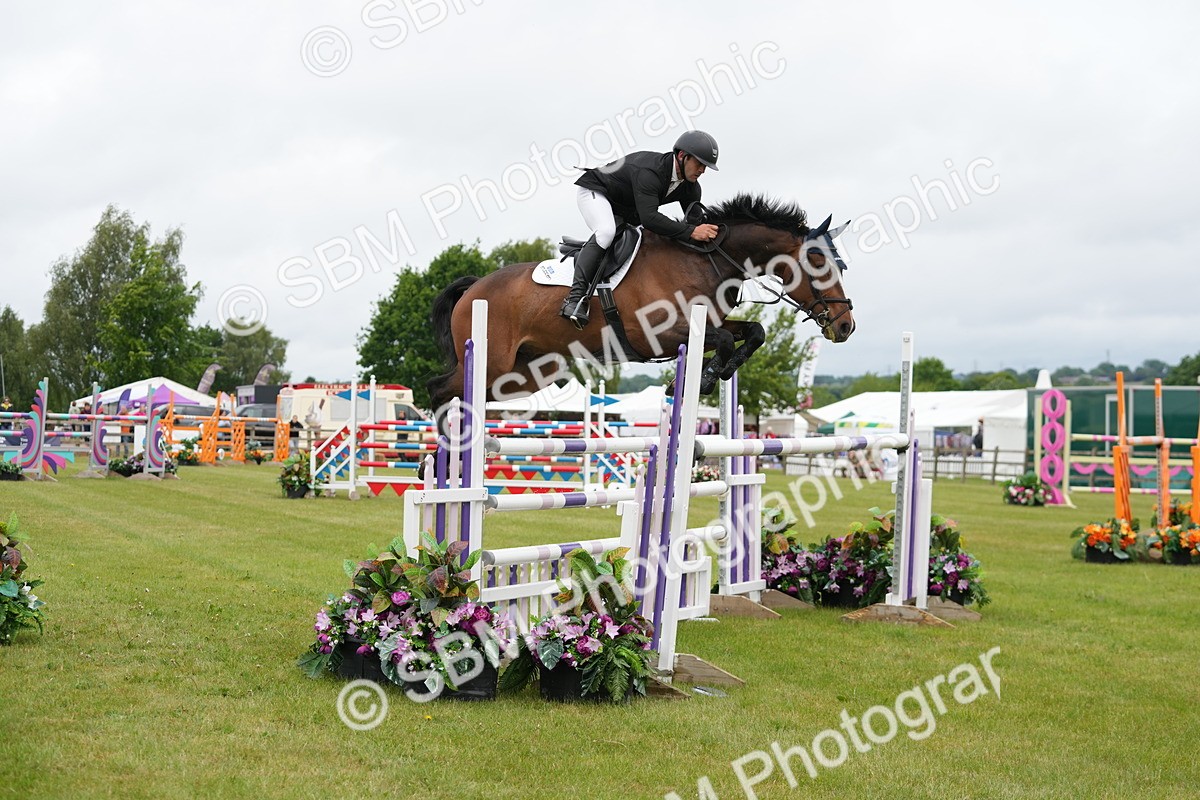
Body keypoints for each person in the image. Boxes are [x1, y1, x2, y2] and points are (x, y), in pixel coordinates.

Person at [562, 130, 722, 328]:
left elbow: (697, 225)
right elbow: (650, 219)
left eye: (705, 166)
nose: (702, 171)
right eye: (699, 164)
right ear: (682, 156)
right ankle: (574, 299)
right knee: (606, 232)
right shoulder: (650, 172)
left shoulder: (691, 187)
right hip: (597, 192)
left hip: (627, 208)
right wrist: (690, 232)